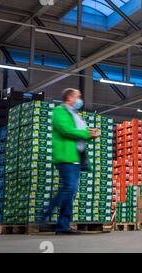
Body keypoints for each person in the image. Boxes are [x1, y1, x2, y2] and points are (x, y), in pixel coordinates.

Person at [41, 88, 98, 235]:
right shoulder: (60, 111)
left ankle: (63, 226)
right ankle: (45, 215)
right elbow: (66, 130)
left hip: (76, 157)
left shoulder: (75, 114)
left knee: (70, 191)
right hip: (66, 157)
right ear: (70, 97)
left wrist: (90, 133)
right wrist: (86, 133)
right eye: (78, 97)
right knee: (68, 189)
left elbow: (80, 132)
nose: (80, 100)